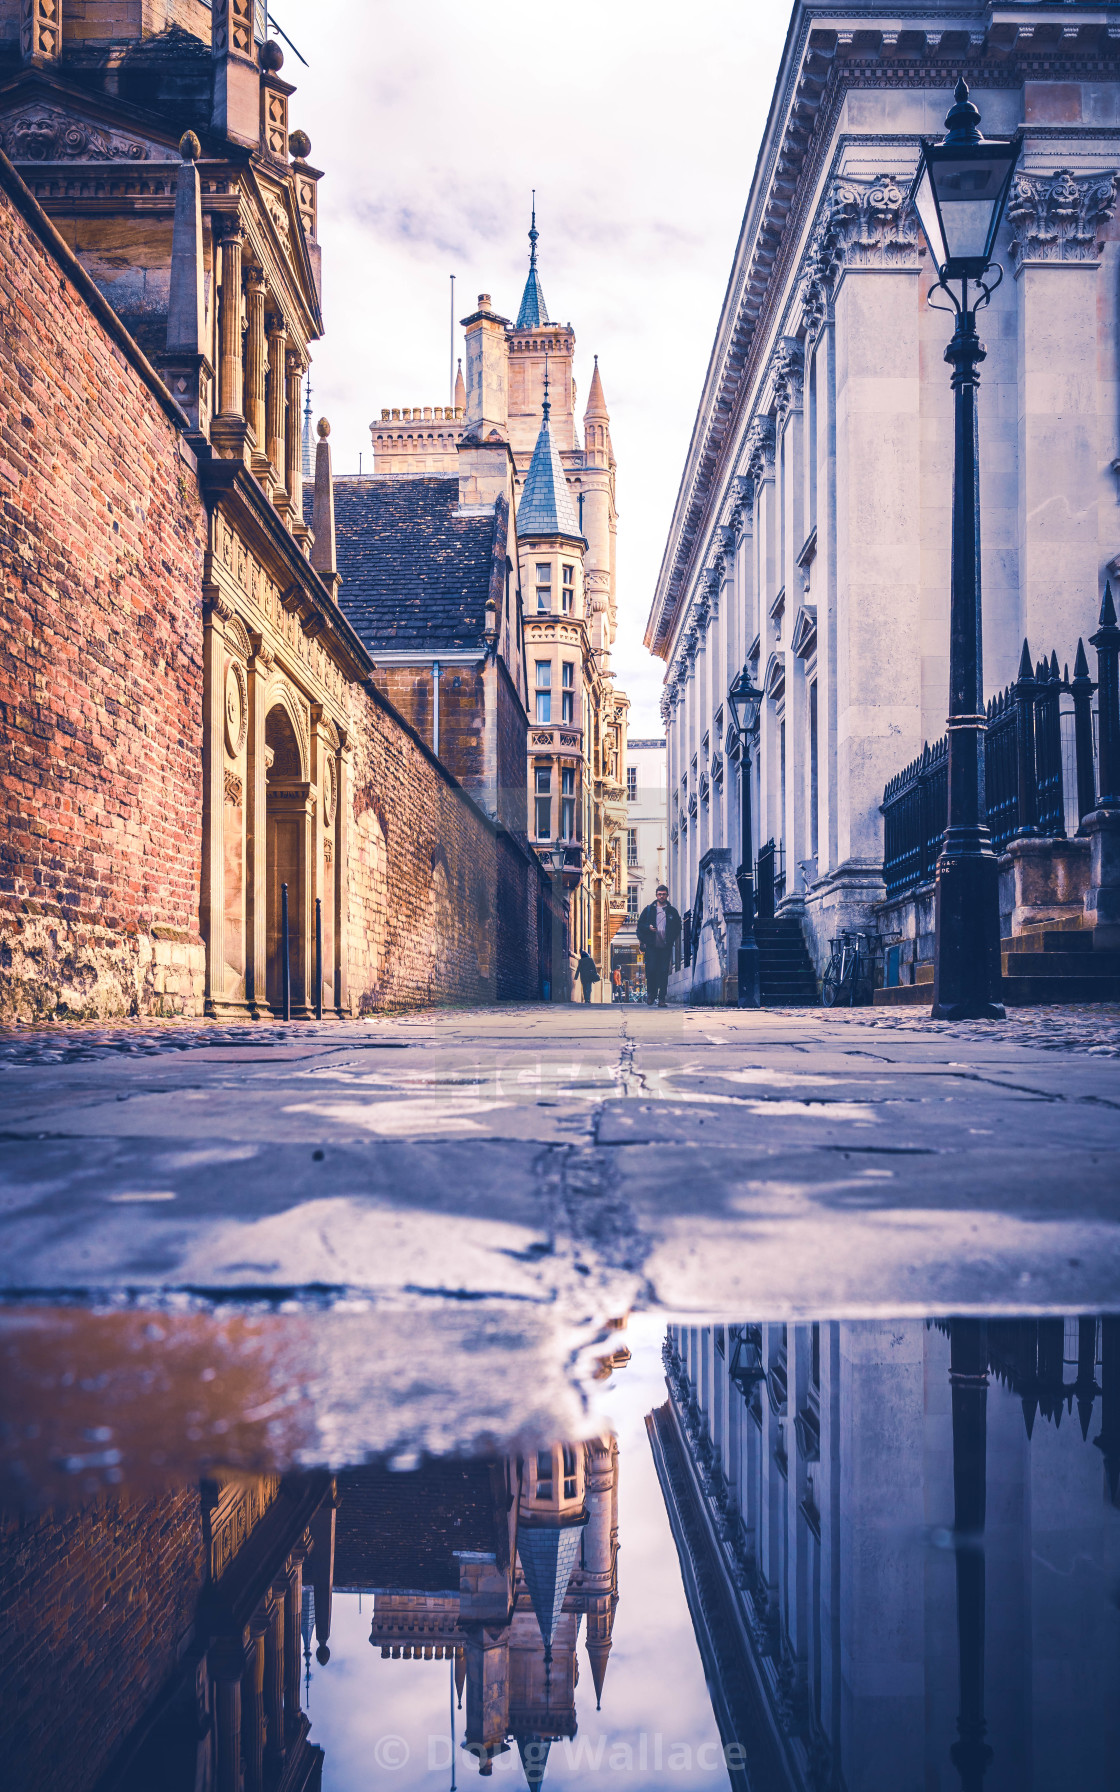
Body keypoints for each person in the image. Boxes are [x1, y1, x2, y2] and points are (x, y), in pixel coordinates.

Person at [635, 885, 681, 1008]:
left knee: (663, 972)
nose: (662, 896)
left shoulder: (672, 911)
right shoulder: (649, 909)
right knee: (651, 970)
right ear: (656, 895)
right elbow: (640, 925)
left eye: (664, 894)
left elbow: (678, 926)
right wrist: (648, 928)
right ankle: (651, 994)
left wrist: (671, 939)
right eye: (660, 894)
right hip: (651, 946)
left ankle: (661, 998)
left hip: (665, 947)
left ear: (667, 895)